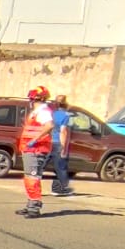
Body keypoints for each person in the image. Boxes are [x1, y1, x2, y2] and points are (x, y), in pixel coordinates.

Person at [17, 85, 57, 218]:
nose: (31, 101)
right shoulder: (37, 111)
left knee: (33, 177)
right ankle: (30, 205)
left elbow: (49, 125)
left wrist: (35, 139)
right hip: (31, 148)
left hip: (37, 149)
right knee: (30, 177)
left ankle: (34, 208)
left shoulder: (43, 111)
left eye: (32, 98)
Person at [46, 88, 76, 196]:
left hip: (48, 142)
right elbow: (63, 132)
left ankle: (32, 184)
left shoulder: (52, 114)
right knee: (61, 167)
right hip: (58, 143)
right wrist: (63, 147)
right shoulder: (66, 116)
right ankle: (60, 188)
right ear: (66, 103)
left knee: (41, 166)